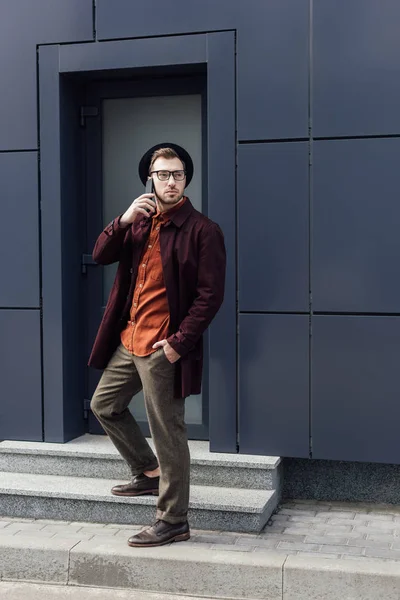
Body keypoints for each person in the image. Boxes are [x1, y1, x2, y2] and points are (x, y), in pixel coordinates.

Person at [88, 143, 226, 548]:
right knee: (104, 405)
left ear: (186, 179)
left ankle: (173, 520)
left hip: (162, 346)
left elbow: (209, 296)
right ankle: (147, 473)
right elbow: (99, 255)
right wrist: (123, 218)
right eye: (162, 174)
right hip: (130, 339)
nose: (170, 181)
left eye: (177, 174)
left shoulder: (203, 231)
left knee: (169, 432)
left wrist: (179, 344)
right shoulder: (139, 223)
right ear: (150, 178)